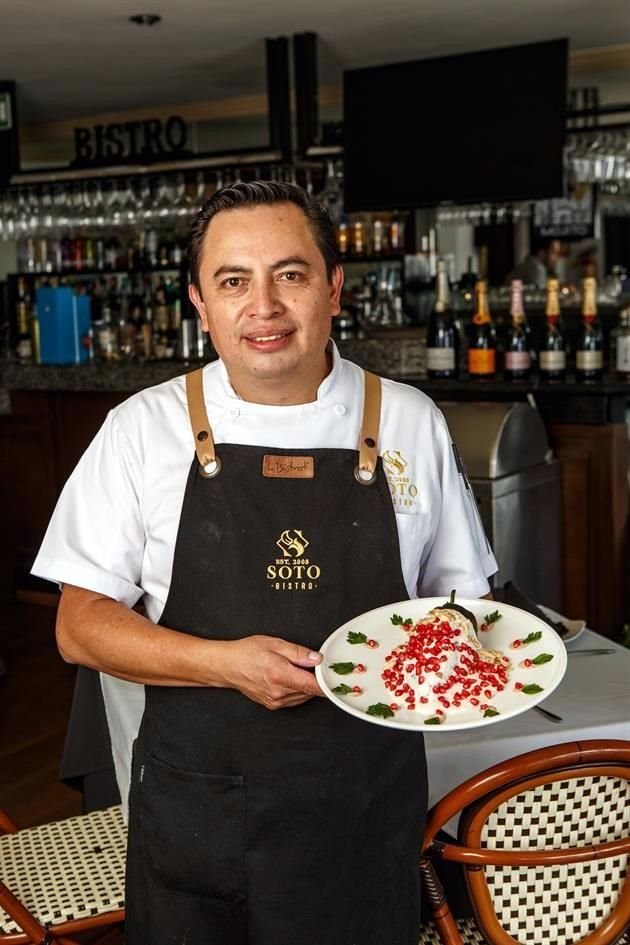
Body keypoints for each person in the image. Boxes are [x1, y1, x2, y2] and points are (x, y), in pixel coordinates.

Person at [33, 181, 497, 945]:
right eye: (233, 280)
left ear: (334, 288)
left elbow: (461, 605)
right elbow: (80, 628)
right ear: (199, 302)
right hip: (198, 812)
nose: (264, 307)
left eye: (290, 274)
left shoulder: (410, 418)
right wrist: (226, 664)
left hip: (365, 808)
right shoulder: (140, 430)